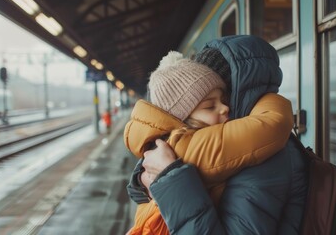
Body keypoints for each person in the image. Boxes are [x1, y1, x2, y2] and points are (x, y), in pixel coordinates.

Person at [128, 35, 308, 234]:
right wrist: (143, 181)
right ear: (182, 120)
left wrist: (171, 180)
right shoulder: (210, 147)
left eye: (225, 97)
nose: (224, 108)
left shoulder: (261, 155)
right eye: (210, 104)